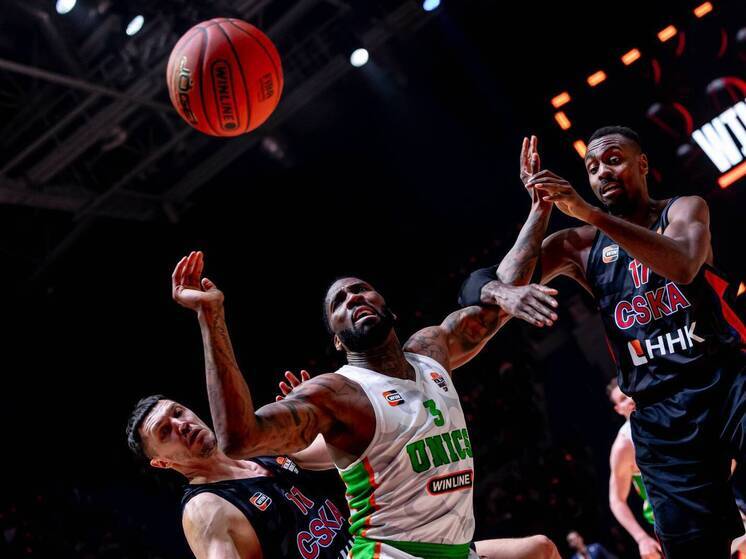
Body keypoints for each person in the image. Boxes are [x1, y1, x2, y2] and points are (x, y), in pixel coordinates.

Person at [459, 128, 746, 558]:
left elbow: (685, 265)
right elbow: (485, 286)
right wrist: (539, 211)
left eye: (613, 160)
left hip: (725, 381)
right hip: (660, 413)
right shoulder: (578, 245)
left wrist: (590, 213)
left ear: (642, 164)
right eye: (592, 168)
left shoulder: (684, 208)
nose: (602, 172)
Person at [170, 250, 560, 558]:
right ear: (338, 341)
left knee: (540, 549)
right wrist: (211, 316)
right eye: (338, 302)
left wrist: (539, 207)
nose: (352, 296)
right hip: (391, 553)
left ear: (388, 308)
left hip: (450, 549)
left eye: (360, 289)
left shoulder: (432, 351)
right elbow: (239, 438)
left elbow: (503, 297)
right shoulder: (336, 393)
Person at [125, 392, 352, 559]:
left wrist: (317, 412)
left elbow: (348, 450)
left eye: (178, 413)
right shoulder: (204, 508)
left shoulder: (258, 444)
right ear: (162, 462)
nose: (181, 424)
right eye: (165, 431)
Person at [606, 379, 660, 559]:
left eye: (630, 394)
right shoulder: (624, 446)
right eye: (622, 399)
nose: (629, 399)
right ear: (618, 409)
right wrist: (641, 538)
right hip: (669, 518)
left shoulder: (668, 413)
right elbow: (616, 500)